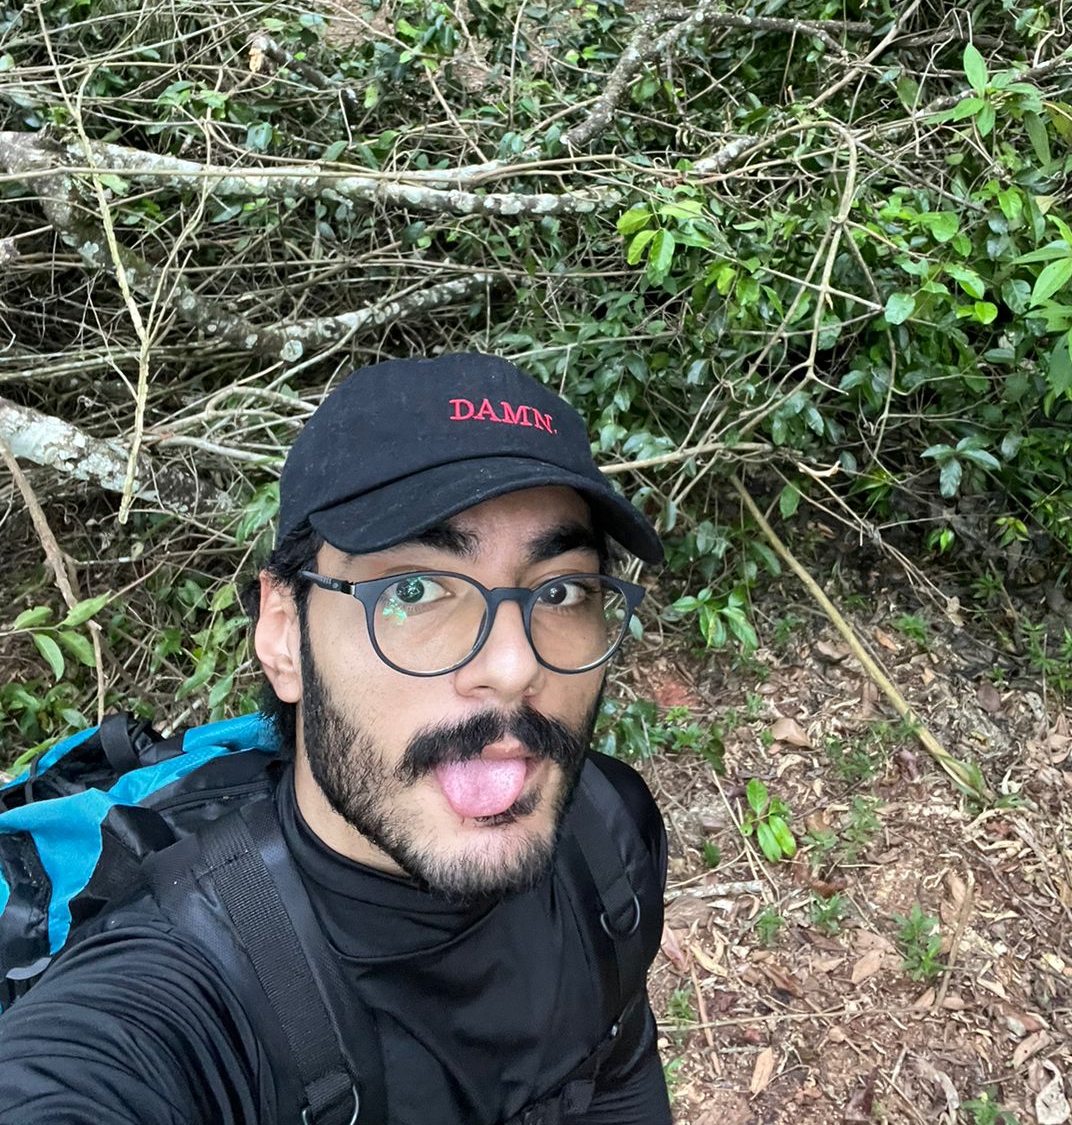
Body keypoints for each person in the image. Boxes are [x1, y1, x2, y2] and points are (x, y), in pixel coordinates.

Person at [0, 353, 672, 1124]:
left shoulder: (609, 836)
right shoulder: (177, 996)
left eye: (559, 591)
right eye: (413, 590)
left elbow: (619, 1076)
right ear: (284, 634)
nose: (514, 667)